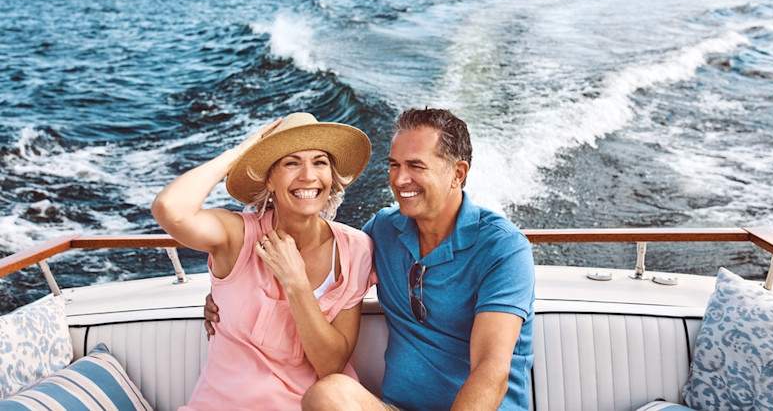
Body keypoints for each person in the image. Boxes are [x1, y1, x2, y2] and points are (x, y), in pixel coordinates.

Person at [206, 107, 536, 410]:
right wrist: (225, 295)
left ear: (457, 173)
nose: (399, 179)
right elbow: (336, 264)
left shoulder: (503, 249)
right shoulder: (381, 232)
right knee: (328, 393)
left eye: (416, 166)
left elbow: (491, 371)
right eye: (394, 165)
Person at [152, 112, 376, 410]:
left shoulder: (355, 248)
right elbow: (170, 208)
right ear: (269, 179)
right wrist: (239, 154)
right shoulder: (236, 236)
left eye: (319, 162)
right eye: (291, 162)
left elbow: (331, 366)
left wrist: (295, 282)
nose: (308, 176)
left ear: (331, 178)